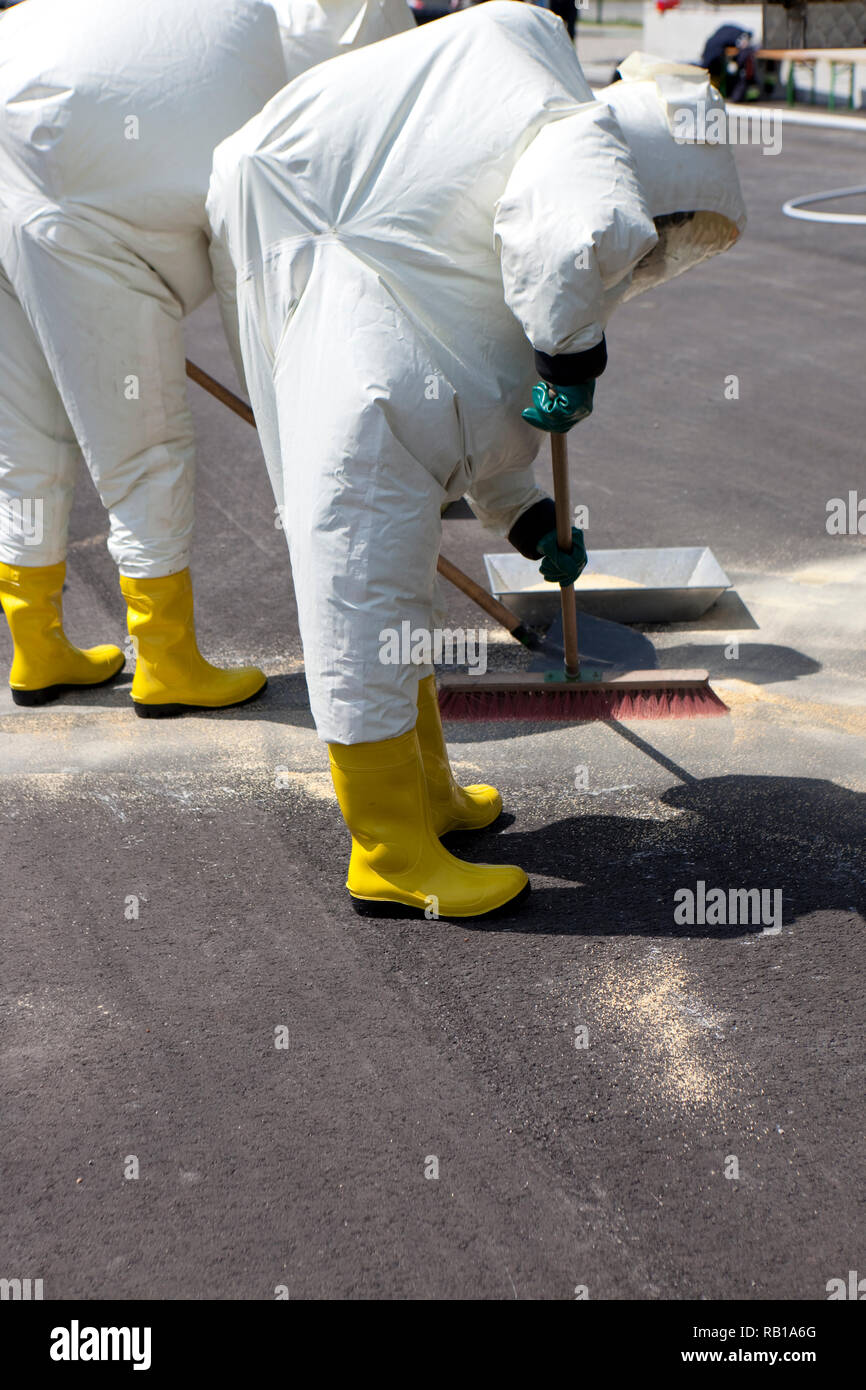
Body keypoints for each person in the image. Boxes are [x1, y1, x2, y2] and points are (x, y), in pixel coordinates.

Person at [207, 4, 746, 916]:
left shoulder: (476, 218)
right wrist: (572, 364)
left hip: (376, 357)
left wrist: (531, 520)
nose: (657, 245)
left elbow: (471, 393)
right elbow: (574, 240)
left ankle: (428, 797)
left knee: (395, 596)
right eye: (666, 221)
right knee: (365, 596)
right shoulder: (579, 147)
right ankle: (389, 852)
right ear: (657, 170)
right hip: (361, 382)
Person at [0, 0, 411, 712]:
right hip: (85, 199)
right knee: (145, 446)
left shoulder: (232, 18)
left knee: (27, 439)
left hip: (15, 135)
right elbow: (248, 277)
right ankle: (166, 659)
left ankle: (37, 645)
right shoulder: (279, 97)